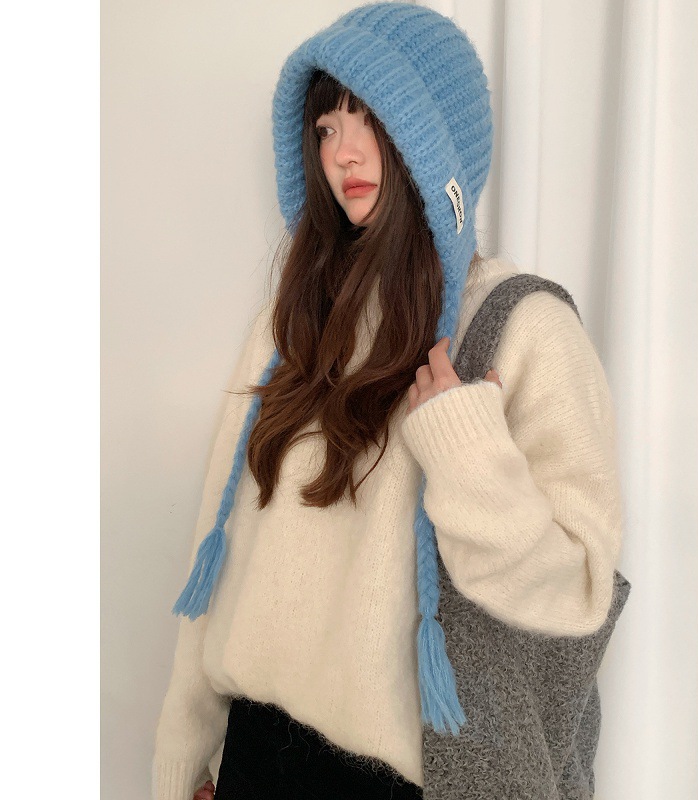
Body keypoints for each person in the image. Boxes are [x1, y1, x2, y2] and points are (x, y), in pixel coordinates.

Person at [152, 4, 625, 800]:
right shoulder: (293, 323)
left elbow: (576, 591)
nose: (343, 151)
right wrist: (182, 760)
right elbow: (219, 544)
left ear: (438, 137)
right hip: (254, 757)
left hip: (398, 782)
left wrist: (465, 448)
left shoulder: (523, 330)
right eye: (326, 126)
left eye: (370, 117)